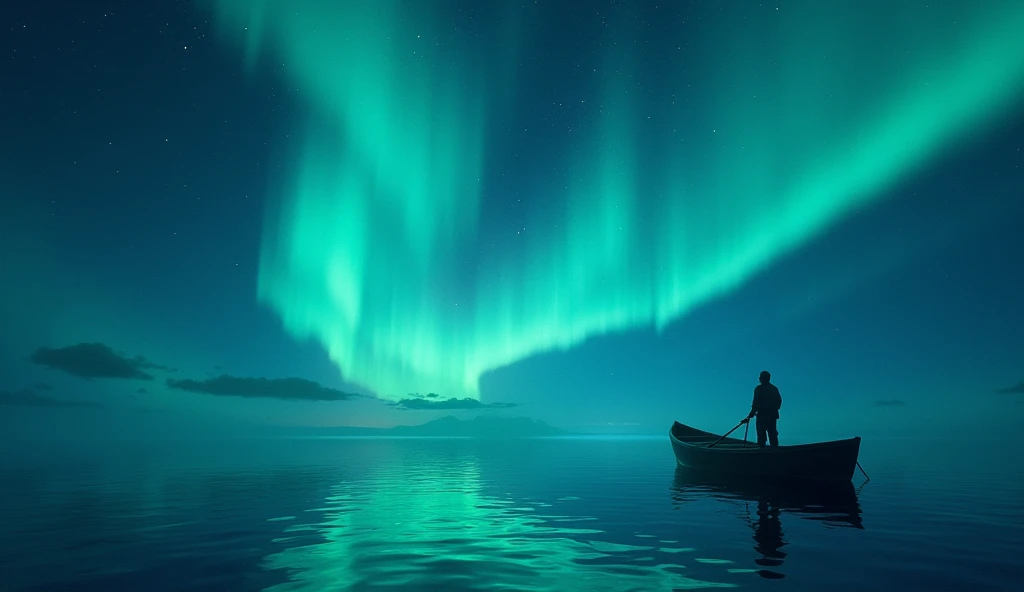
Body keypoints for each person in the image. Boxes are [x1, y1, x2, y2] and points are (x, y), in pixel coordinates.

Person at [745, 370, 782, 447]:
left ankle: (764, 450)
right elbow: (778, 402)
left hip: (763, 416)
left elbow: (756, 403)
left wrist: (752, 413)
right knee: (771, 434)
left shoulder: (759, 389)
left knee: (763, 434)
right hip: (771, 415)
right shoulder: (774, 389)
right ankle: (773, 449)